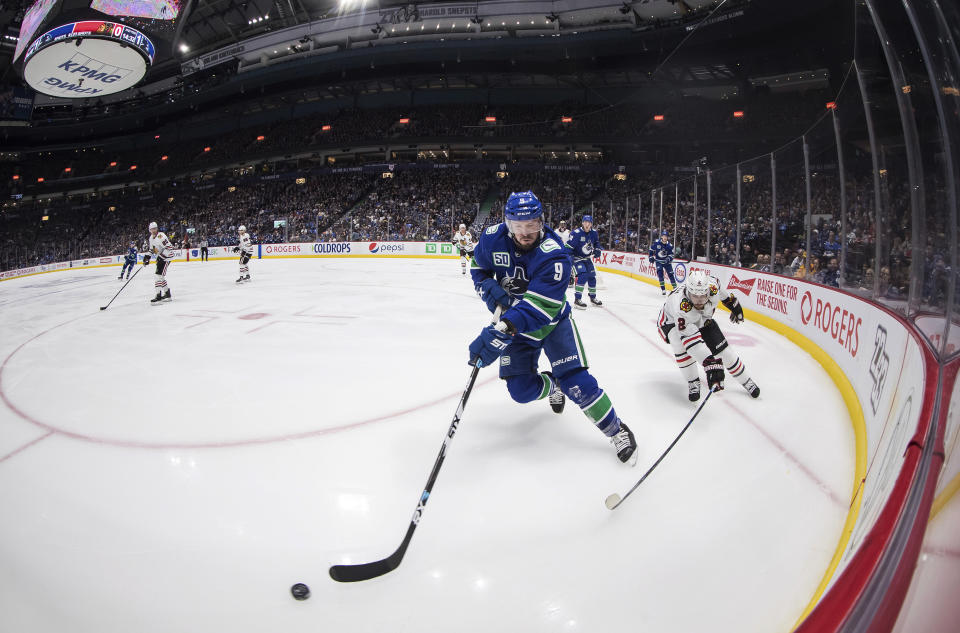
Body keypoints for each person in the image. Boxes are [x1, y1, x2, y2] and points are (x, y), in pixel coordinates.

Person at [468, 191, 637, 465]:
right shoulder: (491, 238)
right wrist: (486, 286)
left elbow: (539, 308)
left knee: (578, 384)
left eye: (532, 225)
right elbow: (478, 266)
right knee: (521, 391)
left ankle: (616, 430)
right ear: (507, 223)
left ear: (541, 221)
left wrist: (502, 330)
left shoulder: (555, 253)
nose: (525, 233)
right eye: (518, 226)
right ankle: (553, 385)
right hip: (516, 327)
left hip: (552, 324)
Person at [656, 269, 759, 401]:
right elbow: (692, 344)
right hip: (670, 322)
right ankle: (693, 381)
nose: (699, 301)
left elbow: (725, 297)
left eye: (703, 296)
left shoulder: (713, 286)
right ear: (688, 292)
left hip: (702, 318)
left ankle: (746, 380)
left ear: (708, 291)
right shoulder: (681, 307)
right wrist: (709, 363)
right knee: (680, 347)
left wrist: (734, 306)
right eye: (695, 296)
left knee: (724, 352)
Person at [566, 215, 603, 309]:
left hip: (587, 258)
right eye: (585, 222)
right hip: (577, 259)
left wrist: (598, 249)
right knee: (582, 276)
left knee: (592, 277)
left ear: (591, 224)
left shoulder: (594, 233)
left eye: (589, 222)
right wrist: (570, 257)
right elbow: (568, 247)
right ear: (582, 223)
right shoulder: (576, 233)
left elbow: (596, 243)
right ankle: (577, 299)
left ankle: (593, 297)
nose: (587, 224)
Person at [145, 221, 174, 304]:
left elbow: (169, 247)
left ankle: (158, 295)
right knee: (160, 276)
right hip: (160, 258)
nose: (153, 230)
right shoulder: (151, 238)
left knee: (158, 276)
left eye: (154, 228)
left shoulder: (161, 236)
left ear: (157, 228)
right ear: (149, 230)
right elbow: (152, 249)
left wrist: (161, 257)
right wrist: (147, 257)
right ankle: (167, 294)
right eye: (151, 229)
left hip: (167, 258)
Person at [648, 231, 677, 295]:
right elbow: (651, 250)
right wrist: (651, 257)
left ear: (667, 237)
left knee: (671, 275)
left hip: (667, 262)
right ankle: (663, 289)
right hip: (658, 261)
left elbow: (671, 255)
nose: (665, 237)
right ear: (661, 236)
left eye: (666, 236)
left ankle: (675, 288)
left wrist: (668, 258)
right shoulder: (656, 243)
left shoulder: (670, 245)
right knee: (660, 274)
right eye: (663, 236)